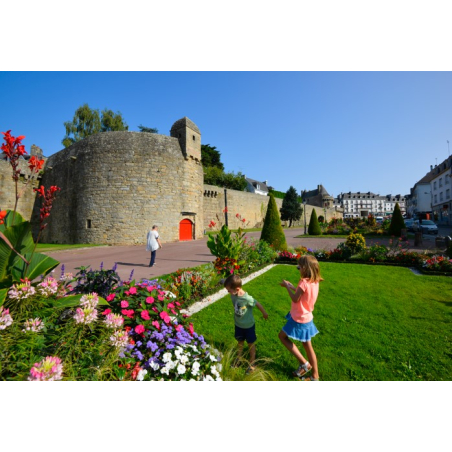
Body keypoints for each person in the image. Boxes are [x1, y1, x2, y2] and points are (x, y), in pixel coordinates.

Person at [279, 254, 323, 381]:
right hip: (308, 317)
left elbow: (295, 298)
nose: (299, 269)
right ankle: (315, 375)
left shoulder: (304, 282)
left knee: (282, 336)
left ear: (306, 268)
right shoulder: (315, 281)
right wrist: (293, 287)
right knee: (308, 345)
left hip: (299, 318)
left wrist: (287, 287)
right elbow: (303, 294)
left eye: (299, 267)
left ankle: (305, 364)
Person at [224, 274, 268, 373]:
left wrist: (264, 313)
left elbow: (257, 303)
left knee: (250, 344)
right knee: (240, 342)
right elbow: (228, 284)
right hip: (238, 325)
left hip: (248, 326)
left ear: (238, 289)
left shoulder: (247, 298)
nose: (228, 292)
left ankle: (252, 363)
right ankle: (238, 359)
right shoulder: (233, 294)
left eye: (229, 290)